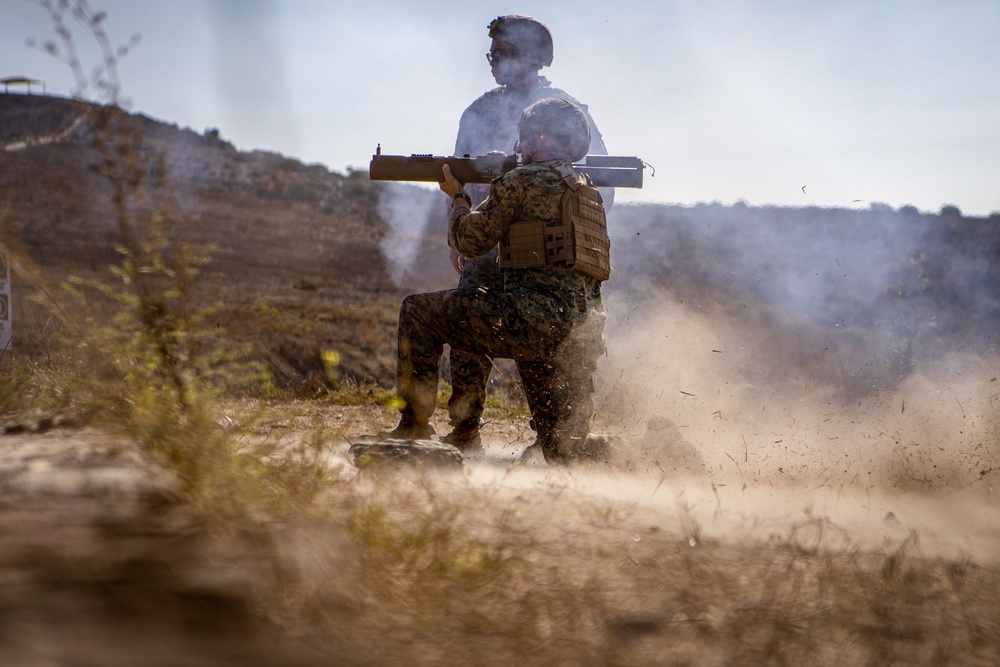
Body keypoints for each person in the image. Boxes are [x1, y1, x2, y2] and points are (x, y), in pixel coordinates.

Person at [386, 98, 609, 463]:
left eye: (522, 138)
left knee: (419, 311)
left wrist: (458, 197)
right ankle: (649, 455)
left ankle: (414, 426)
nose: (517, 147)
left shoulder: (521, 181)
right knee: (563, 450)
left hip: (529, 324)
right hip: (579, 338)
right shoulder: (587, 190)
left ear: (539, 136)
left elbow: (470, 240)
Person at [442, 14, 612, 454]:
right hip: (492, 239)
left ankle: (559, 438)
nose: (493, 62)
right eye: (492, 53)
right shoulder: (478, 112)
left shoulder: (568, 113)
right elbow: (457, 176)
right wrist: (462, 222)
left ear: (530, 57)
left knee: (557, 347)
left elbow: (598, 187)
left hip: (546, 251)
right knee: (467, 322)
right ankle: (465, 429)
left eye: (501, 53)